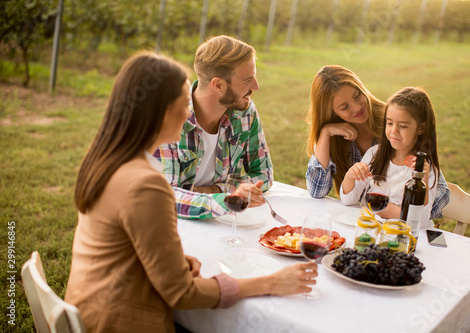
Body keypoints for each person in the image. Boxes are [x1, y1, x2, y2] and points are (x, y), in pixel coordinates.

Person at [65, 51, 317, 333]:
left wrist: (176, 262)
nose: (189, 113)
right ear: (158, 113)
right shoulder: (147, 186)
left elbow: (125, 247)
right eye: (183, 103)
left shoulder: (110, 162)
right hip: (122, 322)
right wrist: (271, 283)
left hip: (88, 310)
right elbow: (181, 294)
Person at [305, 65, 449, 219]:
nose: (357, 107)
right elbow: (318, 192)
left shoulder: (395, 118)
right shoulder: (362, 149)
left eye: (357, 95)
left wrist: (393, 211)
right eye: (345, 107)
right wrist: (326, 132)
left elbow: (438, 194)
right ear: (332, 113)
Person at [155, 35, 271, 219]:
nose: (255, 87)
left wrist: (217, 190)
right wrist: (224, 199)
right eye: (247, 80)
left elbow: (264, 173)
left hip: (220, 220)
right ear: (218, 84)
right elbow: (164, 196)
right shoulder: (167, 118)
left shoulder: (245, 112)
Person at [340, 87, 440, 229]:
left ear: (421, 128)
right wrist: (350, 175)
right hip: (376, 232)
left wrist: (386, 209)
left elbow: (420, 221)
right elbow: (348, 200)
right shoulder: (374, 155)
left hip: (406, 237)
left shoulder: (425, 170)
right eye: (389, 123)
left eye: (403, 126)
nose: (394, 131)